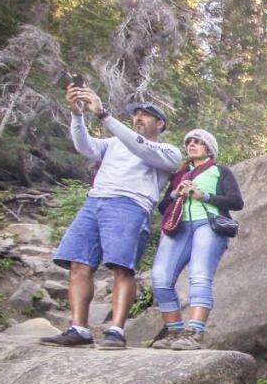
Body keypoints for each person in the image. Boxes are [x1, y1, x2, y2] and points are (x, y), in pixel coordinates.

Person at [41, 84, 181, 349]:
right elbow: (86, 147)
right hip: (95, 202)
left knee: (122, 267)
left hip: (130, 204)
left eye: (145, 114)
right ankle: (79, 329)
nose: (138, 117)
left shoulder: (168, 152)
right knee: (79, 263)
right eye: (135, 114)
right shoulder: (114, 143)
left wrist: (104, 115)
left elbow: (139, 147)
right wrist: (77, 115)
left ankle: (116, 331)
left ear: (160, 123)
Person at [149, 128, 243, 350]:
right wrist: (176, 193)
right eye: (189, 141)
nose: (192, 144)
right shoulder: (179, 175)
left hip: (208, 225)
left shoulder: (220, 171)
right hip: (179, 227)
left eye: (198, 141)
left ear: (209, 148)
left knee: (199, 275)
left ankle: (194, 333)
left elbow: (237, 202)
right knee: (160, 277)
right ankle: (174, 332)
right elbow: (163, 207)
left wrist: (204, 196)